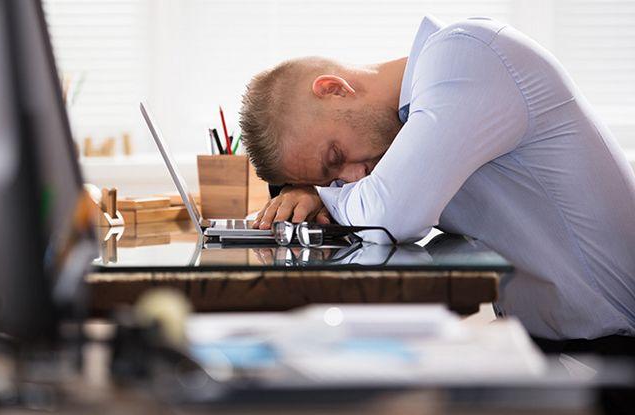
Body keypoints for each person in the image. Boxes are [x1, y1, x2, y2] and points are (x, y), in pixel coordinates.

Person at [238, 16, 635, 340]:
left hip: (613, 350)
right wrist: (315, 188)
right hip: (559, 344)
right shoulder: (417, 114)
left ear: (334, 89)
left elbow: (392, 217)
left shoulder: (464, 56)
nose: (354, 175)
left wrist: (326, 194)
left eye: (335, 157)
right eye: (335, 176)